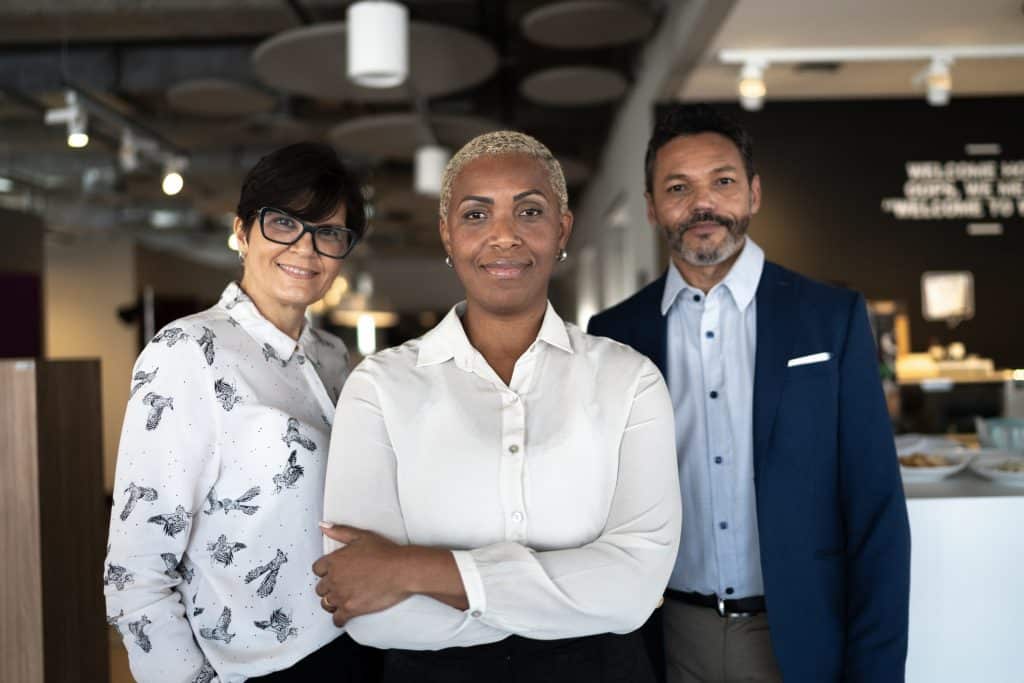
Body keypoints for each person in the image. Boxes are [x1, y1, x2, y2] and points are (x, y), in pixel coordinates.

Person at [312, 130, 681, 682]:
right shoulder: (380, 387)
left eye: (529, 211)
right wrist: (567, 596)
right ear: (447, 234)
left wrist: (412, 570)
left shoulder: (629, 380)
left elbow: (634, 589)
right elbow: (369, 610)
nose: (503, 236)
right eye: (476, 215)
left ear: (562, 229)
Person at [587, 104, 911, 683]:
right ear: (651, 207)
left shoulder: (830, 320)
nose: (702, 203)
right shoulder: (614, 334)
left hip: (799, 634)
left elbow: (876, 510)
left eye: (723, 181)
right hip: (662, 636)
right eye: (678, 187)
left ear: (754, 194)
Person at [104, 142, 378, 682]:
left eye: (328, 233)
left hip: (355, 642)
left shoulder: (332, 357)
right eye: (283, 223)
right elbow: (135, 571)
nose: (306, 248)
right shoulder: (187, 351)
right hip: (258, 668)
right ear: (242, 230)